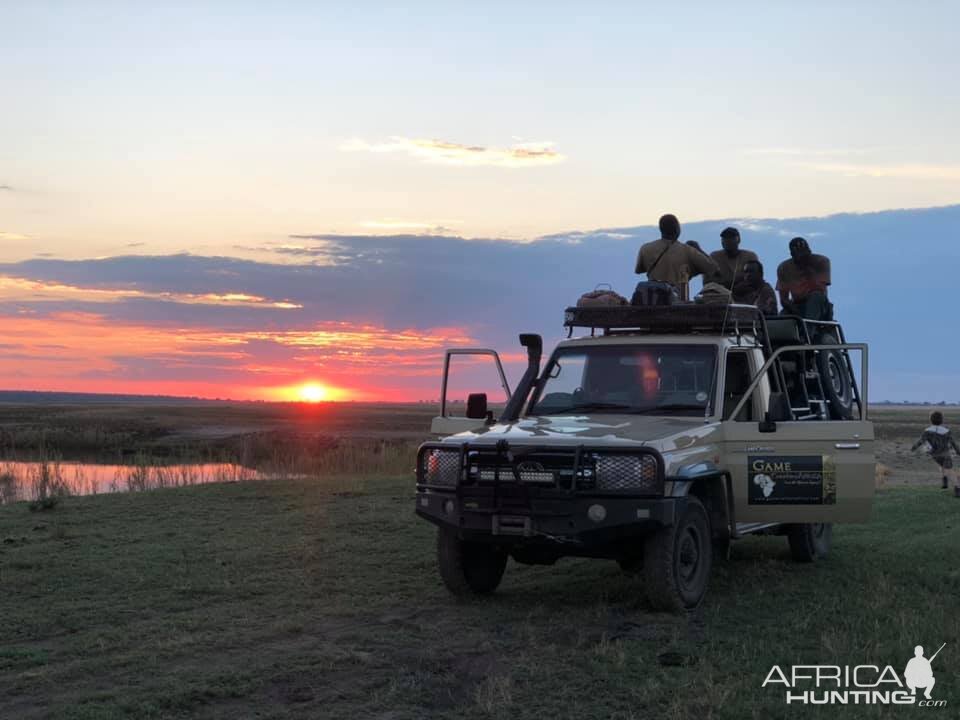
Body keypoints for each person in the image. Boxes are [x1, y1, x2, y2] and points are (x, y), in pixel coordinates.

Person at [635, 214, 719, 301]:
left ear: (661, 229)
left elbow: (638, 270)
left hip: (653, 300)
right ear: (677, 229)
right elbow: (714, 269)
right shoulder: (688, 250)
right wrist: (698, 249)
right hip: (678, 301)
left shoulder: (645, 248)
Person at [776, 237, 832, 320]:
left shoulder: (821, 261)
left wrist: (807, 268)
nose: (803, 257)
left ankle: (809, 328)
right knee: (782, 316)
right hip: (796, 305)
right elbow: (784, 299)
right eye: (799, 254)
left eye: (805, 252)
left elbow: (820, 290)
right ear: (792, 254)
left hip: (819, 304)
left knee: (816, 296)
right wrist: (795, 310)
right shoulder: (784, 268)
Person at [911, 411, 960, 495]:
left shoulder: (927, 431)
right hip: (945, 454)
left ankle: (944, 480)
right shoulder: (947, 431)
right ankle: (958, 488)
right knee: (949, 470)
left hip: (935, 455)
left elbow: (920, 441)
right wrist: (958, 452)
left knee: (942, 466)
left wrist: (913, 448)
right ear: (942, 420)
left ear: (930, 420)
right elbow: (953, 443)